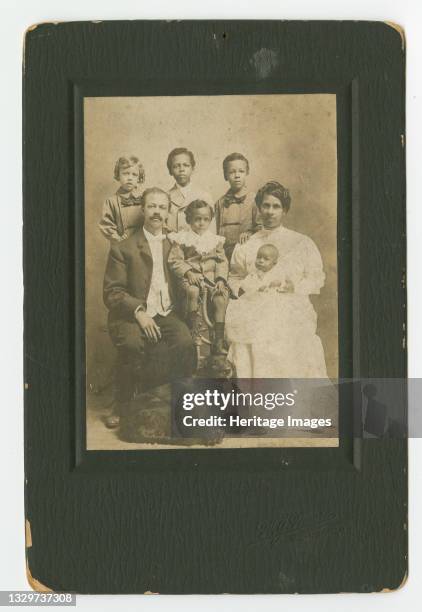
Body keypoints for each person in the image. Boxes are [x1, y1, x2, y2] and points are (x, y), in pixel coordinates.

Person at [103, 187, 196, 426]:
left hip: (167, 313)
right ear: (143, 209)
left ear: (168, 212)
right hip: (131, 316)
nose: (157, 212)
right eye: (152, 206)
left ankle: (174, 403)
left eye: (162, 207)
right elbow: (112, 293)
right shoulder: (123, 247)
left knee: (185, 342)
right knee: (133, 344)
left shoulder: (176, 242)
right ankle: (122, 404)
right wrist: (139, 313)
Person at [227, 180, 328, 379]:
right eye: (266, 205)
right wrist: (245, 289)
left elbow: (316, 278)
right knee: (250, 336)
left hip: (289, 308)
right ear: (259, 208)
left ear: (285, 210)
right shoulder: (247, 244)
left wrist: (295, 287)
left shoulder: (302, 242)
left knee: (285, 337)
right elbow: (235, 276)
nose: (270, 212)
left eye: (276, 206)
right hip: (254, 308)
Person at [168, 200, 229, 355]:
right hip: (190, 279)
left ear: (210, 220)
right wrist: (188, 272)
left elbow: (222, 262)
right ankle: (194, 331)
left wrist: (220, 279)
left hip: (211, 280)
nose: (201, 223)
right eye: (197, 219)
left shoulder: (215, 240)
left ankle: (219, 340)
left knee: (221, 298)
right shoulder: (182, 239)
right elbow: (175, 261)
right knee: (193, 292)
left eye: (206, 219)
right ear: (189, 220)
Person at [214, 152, 261, 261]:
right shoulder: (220, 203)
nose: (237, 175)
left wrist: (249, 233)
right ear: (225, 175)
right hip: (223, 254)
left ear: (247, 172)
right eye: (231, 172)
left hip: (245, 253)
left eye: (241, 171)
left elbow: (261, 228)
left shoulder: (255, 200)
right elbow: (213, 230)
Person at [166, 147, 214, 233]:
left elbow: (211, 230)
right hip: (172, 245)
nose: (181, 169)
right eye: (176, 166)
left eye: (186, 165)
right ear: (170, 170)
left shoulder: (204, 196)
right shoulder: (165, 197)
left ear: (193, 169)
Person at [99, 155, 146, 241]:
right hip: (122, 244)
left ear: (139, 178)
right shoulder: (111, 201)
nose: (130, 178)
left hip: (143, 242)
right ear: (118, 175)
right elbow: (106, 224)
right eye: (125, 173)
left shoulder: (145, 198)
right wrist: (117, 237)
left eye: (134, 175)